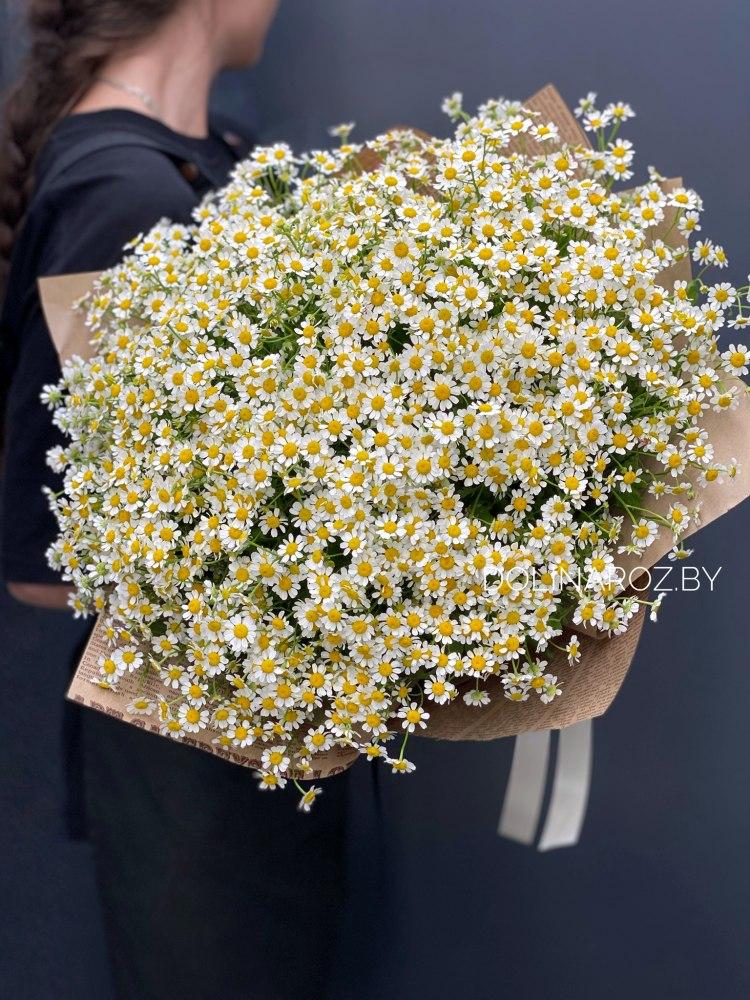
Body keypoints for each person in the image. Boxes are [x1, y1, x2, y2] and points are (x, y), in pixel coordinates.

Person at [0, 4, 356, 998]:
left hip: (265, 745)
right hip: (190, 759)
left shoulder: (216, 162)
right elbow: (45, 564)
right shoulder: (126, 192)